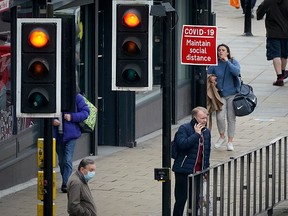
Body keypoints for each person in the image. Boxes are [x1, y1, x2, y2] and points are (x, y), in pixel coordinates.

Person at [172, 106, 211, 216]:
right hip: (183, 170)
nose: (204, 120)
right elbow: (182, 144)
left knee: (194, 200)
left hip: (198, 171)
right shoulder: (184, 128)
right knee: (181, 199)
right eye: (202, 118)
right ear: (195, 117)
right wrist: (196, 135)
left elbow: (207, 152)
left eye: (206, 118)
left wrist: (206, 169)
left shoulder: (206, 132)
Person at [53, 92, 90, 193]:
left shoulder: (76, 97)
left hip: (71, 135)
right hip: (57, 135)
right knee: (61, 161)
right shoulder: (53, 95)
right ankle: (66, 180)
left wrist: (72, 117)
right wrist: (52, 121)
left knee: (68, 159)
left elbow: (86, 112)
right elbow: (44, 113)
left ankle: (66, 184)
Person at [207, 44, 241, 151]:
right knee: (220, 117)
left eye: (223, 50)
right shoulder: (215, 63)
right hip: (220, 95)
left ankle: (230, 141)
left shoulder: (232, 62)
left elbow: (236, 72)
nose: (220, 52)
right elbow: (208, 73)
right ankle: (222, 136)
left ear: (227, 52)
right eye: (219, 50)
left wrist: (227, 61)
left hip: (232, 94)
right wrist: (211, 78)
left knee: (231, 118)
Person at [256, 0, 288, 86]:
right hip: (286, 33)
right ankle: (283, 72)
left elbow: (259, 12)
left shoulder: (269, 1)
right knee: (284, 55)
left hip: (273, 33)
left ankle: (279, 77)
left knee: (275, 54)